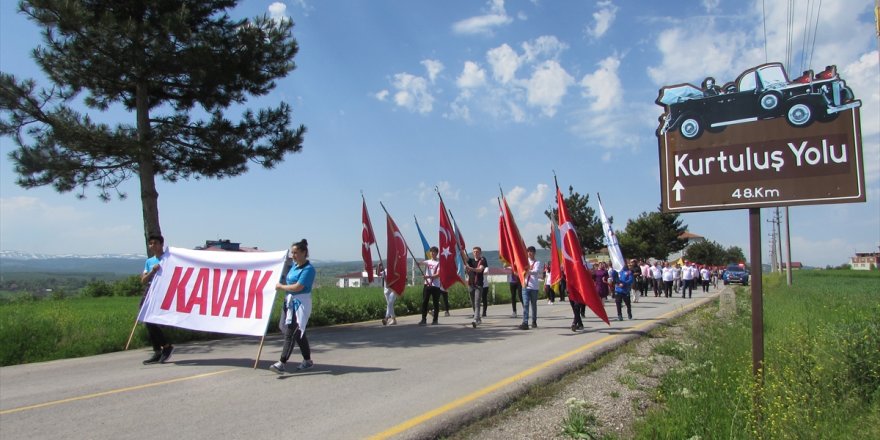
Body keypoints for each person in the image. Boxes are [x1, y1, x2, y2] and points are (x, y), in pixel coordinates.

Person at [270, 239, 316, 373]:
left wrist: (281, 287)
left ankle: (282, 362)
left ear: (303, 253)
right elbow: (287, 279)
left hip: (300, 304)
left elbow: (298, 287)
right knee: (298, 333)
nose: (293, 255)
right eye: (292, 253)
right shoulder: (294, 267)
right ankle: (307, 361)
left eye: (295, 253)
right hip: (290, 303)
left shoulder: (308, 269)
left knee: (291, 332)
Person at [140, 234, 174, 365]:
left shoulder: (169, 259)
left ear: (161, 245)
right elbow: (143, 280)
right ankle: (158, 350)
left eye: (155, 243)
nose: (152, 246)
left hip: (163, 294)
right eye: (150, 243)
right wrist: (152, 272)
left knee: (152, 321)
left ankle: (166, 346)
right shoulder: (149, 262)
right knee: (147, 320)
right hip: (150, 293)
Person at [519, 246, 543, 330]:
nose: (529, 253)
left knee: (533, 305)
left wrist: (527, 271)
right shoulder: (524, 262)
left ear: (534, 253)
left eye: (531, 251)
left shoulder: (537, 262)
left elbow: (536, 271)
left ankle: (534, 321)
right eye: (528, 251)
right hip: (525, 286)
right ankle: (525, 322)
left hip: (534, 287)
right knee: (525, 304)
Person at [419, 247, 442, 326]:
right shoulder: (428, 262)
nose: (432, 253)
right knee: (424, 302)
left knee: (435, 303)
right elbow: (420, 263)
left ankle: (435, 320)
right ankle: (423, 319)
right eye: (431, 252)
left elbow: (438, 274)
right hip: (427, 285)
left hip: (435, 286)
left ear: (437, 253)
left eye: (434, 252)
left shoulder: (439, 263)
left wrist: (428, 277)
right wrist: (418, 263)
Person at [465, 246, 487, 328]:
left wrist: (471, 268)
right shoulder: (470, 260)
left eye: (477, 251)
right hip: (471, 284)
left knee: (477, 302)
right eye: (474, 251)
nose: (475, 253)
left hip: (478, 285)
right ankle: (478, 318)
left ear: (480, 252)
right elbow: (464, 257)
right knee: (473, 302)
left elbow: (480, 270)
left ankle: (475, 319)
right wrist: (460, 248)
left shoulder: (482, 260)